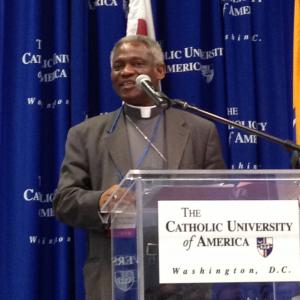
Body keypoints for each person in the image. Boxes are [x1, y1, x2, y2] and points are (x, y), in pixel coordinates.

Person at [53, 35, 226, 300]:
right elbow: (64, 201)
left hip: (187, 278)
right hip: (117, 278)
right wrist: (101, 200)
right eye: (118, 66)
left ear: (160, 70)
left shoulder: (199, 130)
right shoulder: (85, 134)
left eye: (137, 63)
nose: (126, 71)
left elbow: (220, 197)